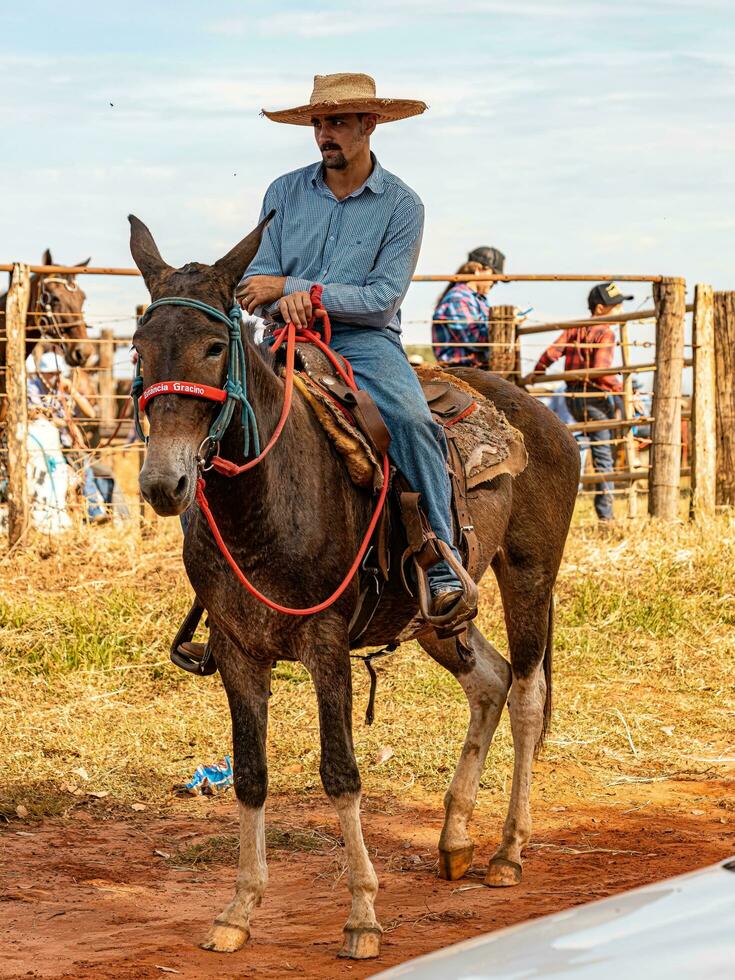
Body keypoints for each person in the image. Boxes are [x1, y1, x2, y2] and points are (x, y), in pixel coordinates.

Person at [238, 73, 468, 621]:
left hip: (364, 342)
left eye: (337, 122)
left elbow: (382, 299)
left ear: (371, 125)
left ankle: (441, 559)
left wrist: (299, 291)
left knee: (412, 423)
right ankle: (217, 578)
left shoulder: (401, 206)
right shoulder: (283, 192)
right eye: (319, 123)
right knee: (220, 419)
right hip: (283, 338)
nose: (324, 134)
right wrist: (281, 300)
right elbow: (255, 282)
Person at [526, 281, 633, 523]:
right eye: (614, 306)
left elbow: (553, 351)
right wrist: (621, 389)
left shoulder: (575, 329)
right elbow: (601, 371)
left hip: (573, 397)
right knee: (603, 453)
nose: (619, 310)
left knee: (575, 446)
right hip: (594, 398)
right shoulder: (605, 331)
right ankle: (606, 515)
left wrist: (537, 371)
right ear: (600, 308)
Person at [27, 351, 108, 522]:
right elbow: (38, 416)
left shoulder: (62, 391)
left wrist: (72, 391)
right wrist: (66, 422)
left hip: (66, 444)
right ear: (41, 374)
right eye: (51, 374)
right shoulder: (33, 387)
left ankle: (96, 512)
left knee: (87, 469)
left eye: (57, 374)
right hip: (46, 447)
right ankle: (90, 512)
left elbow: (91, 413)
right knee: (77, 472)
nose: (55, 378)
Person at [432, 247, 505, 368]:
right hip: (462, 368)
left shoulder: (476, 300)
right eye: (494, 277)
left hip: (474, 367)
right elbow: (474, 340)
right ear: (478, 270)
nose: (494, 283)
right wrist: (505, 326)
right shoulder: (458, 298)